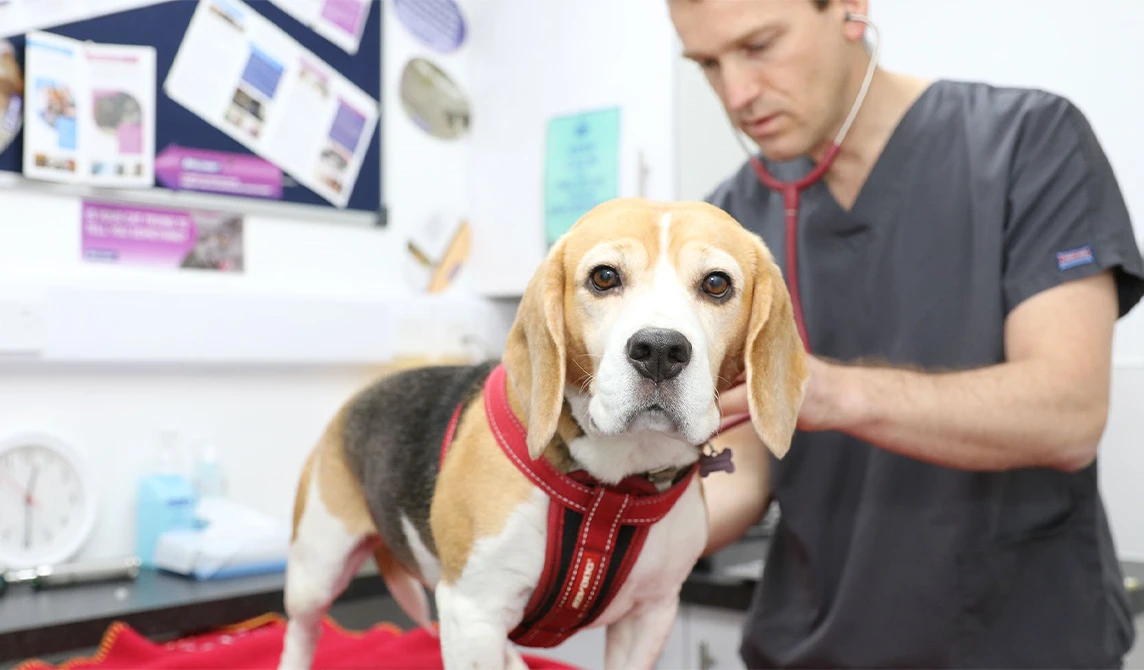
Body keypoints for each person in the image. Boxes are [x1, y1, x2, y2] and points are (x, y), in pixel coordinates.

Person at [666, 0, 1144, 667]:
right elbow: (741, 467)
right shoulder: (728, 222)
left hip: (1016, 646)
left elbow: (1068, 414)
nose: (737, 93)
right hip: (812, 647)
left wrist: (829, 393)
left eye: (760, 45)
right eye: (709, 65)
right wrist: (605, 544)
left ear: (852, 10)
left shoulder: (1027, 143)